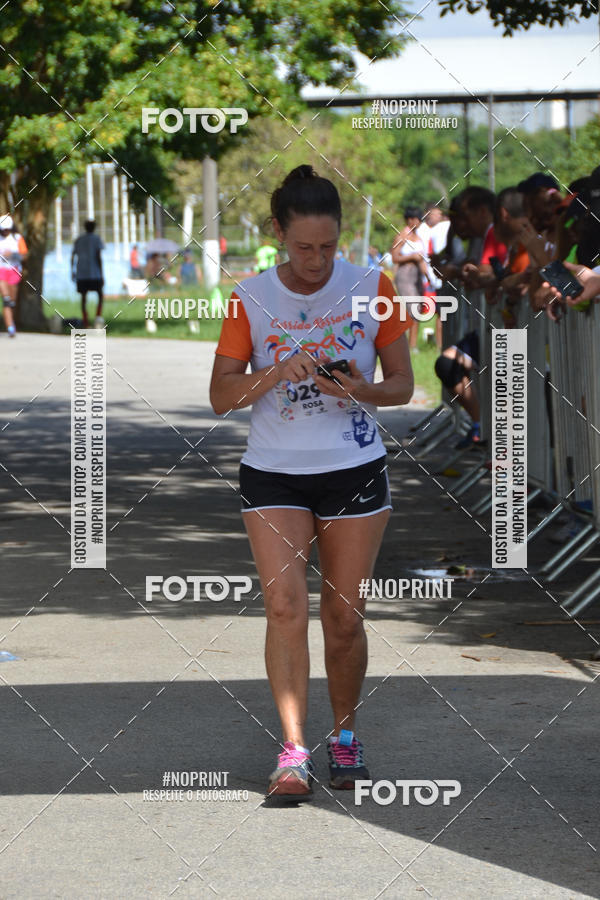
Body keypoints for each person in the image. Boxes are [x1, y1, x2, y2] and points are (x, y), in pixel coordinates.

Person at [210, 165, 414, 798]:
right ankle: (293, 749)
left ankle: (345, 736)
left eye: (328, 246)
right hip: (274, 472)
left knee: (344, 617)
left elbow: (403, 386)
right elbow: (220, 396)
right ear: (278, 233)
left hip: (353, 468)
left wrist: (359, 389)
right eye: (303, 247)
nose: (317, 260)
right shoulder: (251, 296)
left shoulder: (372, 286)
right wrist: (274, 372)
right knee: (283, 606)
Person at [391, 206, 428, 352]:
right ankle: (403, 344)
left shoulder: (419, 238)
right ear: (409, 220)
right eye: (414, 219)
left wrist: (429, 277)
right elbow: (394, 257)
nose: (417, 222)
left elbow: (422, 259)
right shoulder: (402, 236)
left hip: (417, 275)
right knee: (413, 308)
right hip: (404, 275)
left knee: (418, 310)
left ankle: (412, 345)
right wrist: (411, 257)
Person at [71, 220, 104, 328]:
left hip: (82, 273)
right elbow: (98, 256)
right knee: (100, 295)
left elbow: (73, 256)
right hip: (94, 273)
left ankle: (86, 321)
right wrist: (101, 273)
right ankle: (98, 318)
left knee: (83, 298)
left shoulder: (79, 239)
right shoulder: (96, 239)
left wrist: (72, 271)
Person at [0, 214, 27, 338]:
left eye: (7, 229)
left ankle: (11, 322)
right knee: (6, 299)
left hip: (14, 270)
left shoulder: (17, 238)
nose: (5, 232)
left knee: (11, 302)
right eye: (3, 229)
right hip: (1, 270)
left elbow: (24, 255)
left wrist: (12, 254)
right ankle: (10, 327)